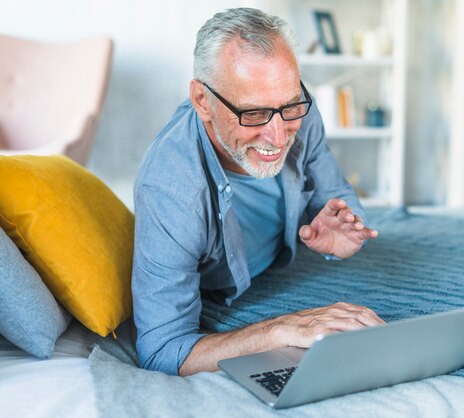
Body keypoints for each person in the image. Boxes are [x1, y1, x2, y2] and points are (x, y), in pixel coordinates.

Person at [132, 7, 383, 377]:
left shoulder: (300, 109)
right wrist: (279, 330)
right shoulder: (169, 190)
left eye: (289, 107)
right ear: (203, 100)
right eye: (253, 115)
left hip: (284, 268)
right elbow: (163, 348)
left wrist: (348, 228)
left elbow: (334, 193)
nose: (278, 137)